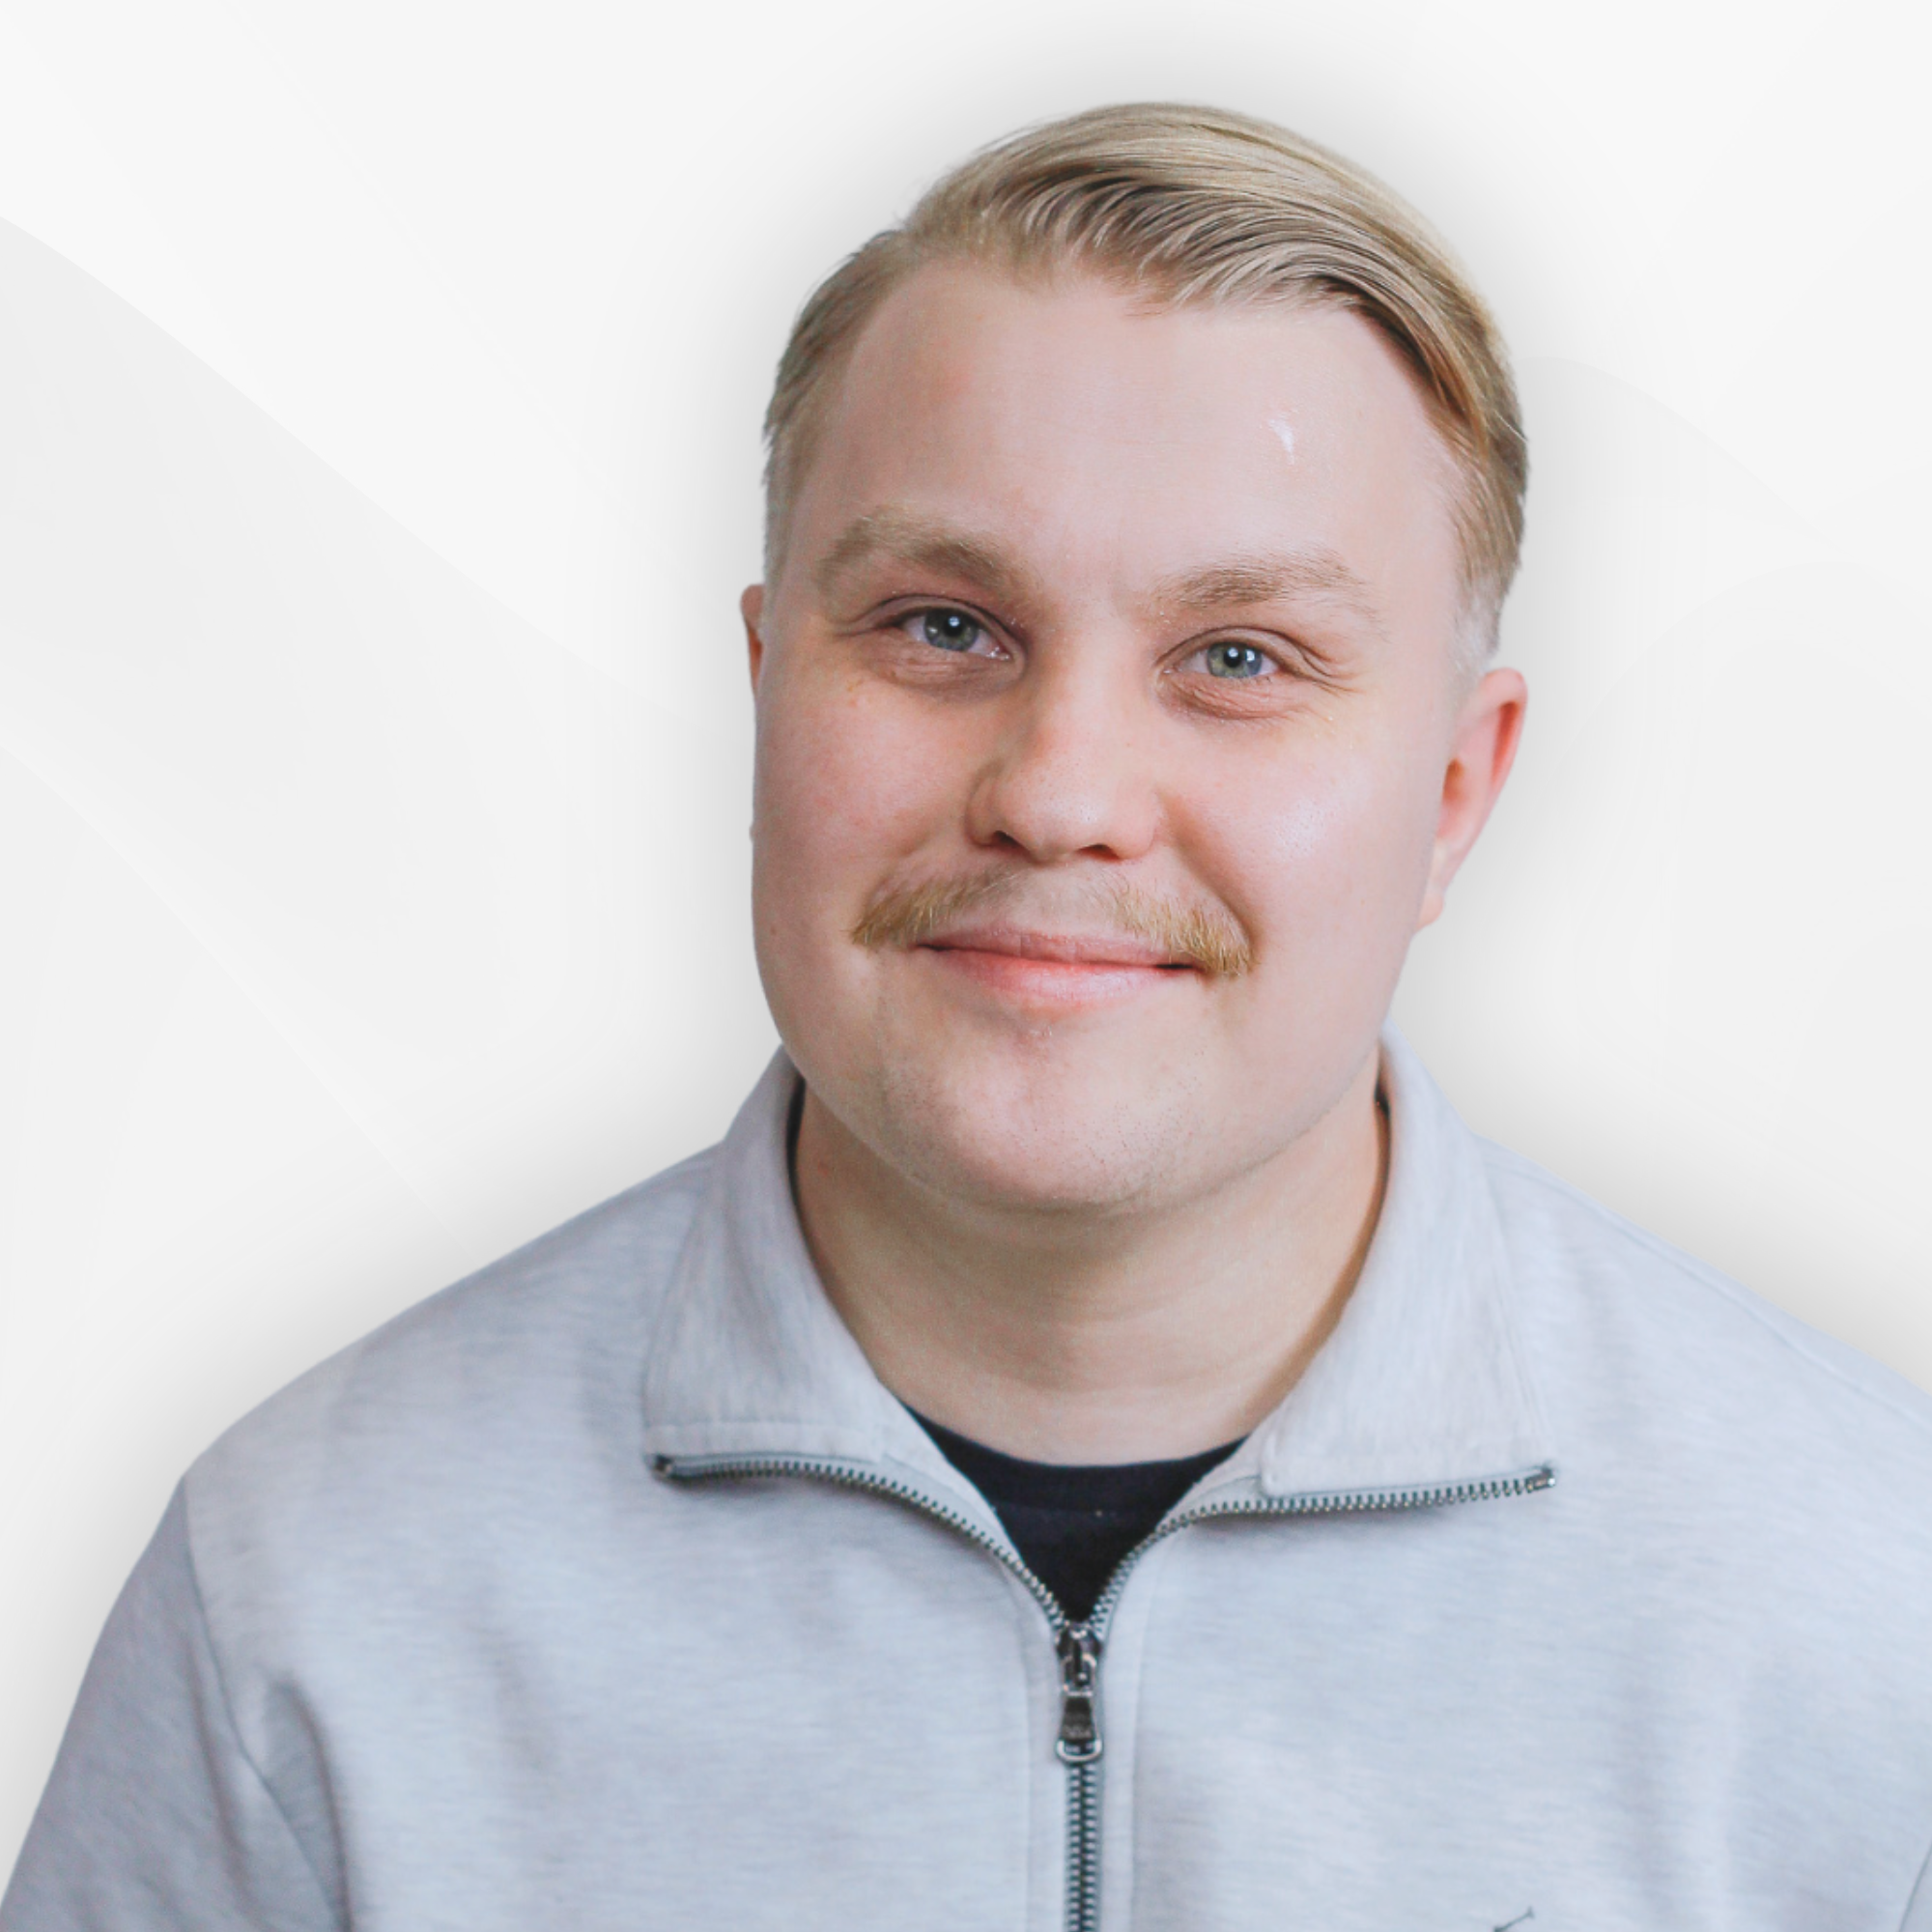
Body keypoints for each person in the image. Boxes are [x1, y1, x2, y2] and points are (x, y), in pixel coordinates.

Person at [5, 100, 1931, 1932]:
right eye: (944, 624)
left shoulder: (1872, 1608)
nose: (1060, 786)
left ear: (1454, 787)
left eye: (1238, 656)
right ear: (769, 685)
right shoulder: (308, 1590)